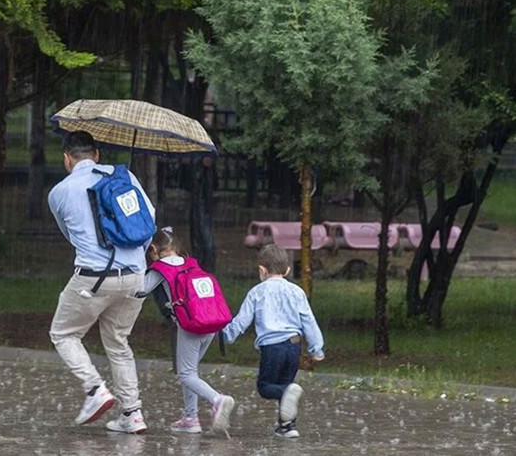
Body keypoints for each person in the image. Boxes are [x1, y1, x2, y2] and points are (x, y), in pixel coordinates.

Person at [47, 130, 155, 434]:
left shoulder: (59, 192)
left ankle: (95, 390)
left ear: (67, 159)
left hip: (93, 278)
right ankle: (132, 414)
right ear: (97, 154)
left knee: (64, 334)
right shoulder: (125, 178)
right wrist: (134, 258)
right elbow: (149, 221)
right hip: (136, 276)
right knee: (119, 343)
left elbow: (70, 235)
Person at [222, 244, 325, 438]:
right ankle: (288, 426)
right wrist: (316, 349)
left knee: (266, 386)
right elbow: (309, 321)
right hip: (294, 345)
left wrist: (226, 335)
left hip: (272, 347)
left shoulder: (257, 292)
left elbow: (242, 321)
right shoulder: (297, 292)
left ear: (262, 270)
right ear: (287, 270)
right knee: (286, 385)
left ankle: (287, 399)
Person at [144, 227, 236, 434]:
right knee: (191, 372)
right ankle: (190, 418)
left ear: (153, 249)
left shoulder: (161, 268)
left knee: (185, 374)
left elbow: (139, 289)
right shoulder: (191, 264)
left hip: (189, 327)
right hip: (209, 324)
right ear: (177, 248)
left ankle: (218, 400)